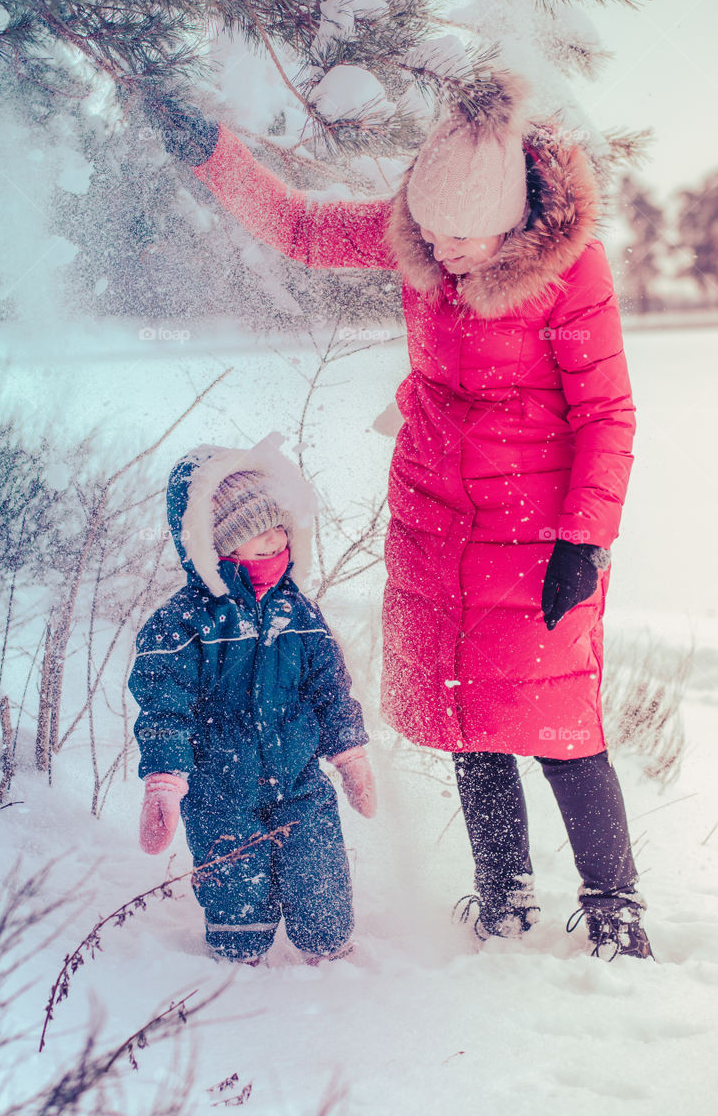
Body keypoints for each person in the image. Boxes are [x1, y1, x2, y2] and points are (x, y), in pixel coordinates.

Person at [142, 71, 652, 961]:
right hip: (431, 515)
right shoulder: (415, 234)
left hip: (536, 526)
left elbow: (607, 413)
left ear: (510, 224)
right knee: (464, 713)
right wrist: (212, 154)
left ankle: (615, 912)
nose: (447, 253)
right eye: (435, 234)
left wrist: (586, 536)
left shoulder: (571, 271)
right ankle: (505, 898)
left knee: (559, 721)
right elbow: (300, 228)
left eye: (467, 238)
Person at [128, 436, 376, 965]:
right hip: (220, 791)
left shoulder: (299, 612)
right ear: (213, 546)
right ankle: (238, 974)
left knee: (323, 901)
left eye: (277, 529)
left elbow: (330, 686)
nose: (272, 539)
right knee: (237, 915)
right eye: (253, 536)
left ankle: (334, 966)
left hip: (301, 783)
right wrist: (166, 784)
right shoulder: (183, 624)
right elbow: (163, 707)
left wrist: (350, 756)